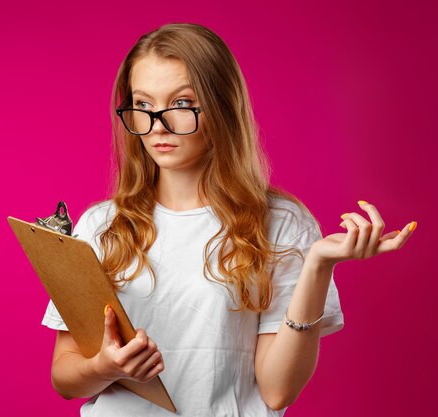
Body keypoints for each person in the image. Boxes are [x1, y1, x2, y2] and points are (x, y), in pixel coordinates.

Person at [41, 22, 417, 416]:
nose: (158, 126)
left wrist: (318, 266)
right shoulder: (101, 226)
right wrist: (104, 366)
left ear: (222, 106)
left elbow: (277, 392)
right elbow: (64, 376)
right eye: (144, 106)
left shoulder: (282, 223)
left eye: (182, 104)